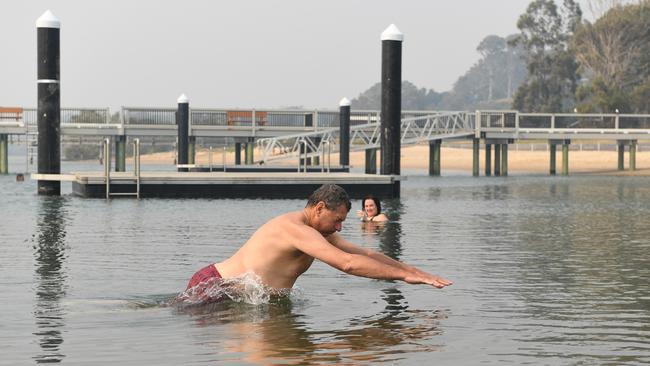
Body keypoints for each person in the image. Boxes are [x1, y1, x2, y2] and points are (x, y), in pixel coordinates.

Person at [181, 184, 451, 303]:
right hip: (215, 287)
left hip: (235, 295)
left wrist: (415, 271)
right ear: (320, 208)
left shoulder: (318, 231)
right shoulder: (296, 229)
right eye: (337, 220)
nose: (339, 227)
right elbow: (347, 264)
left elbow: (365, 252)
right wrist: (403, 277)